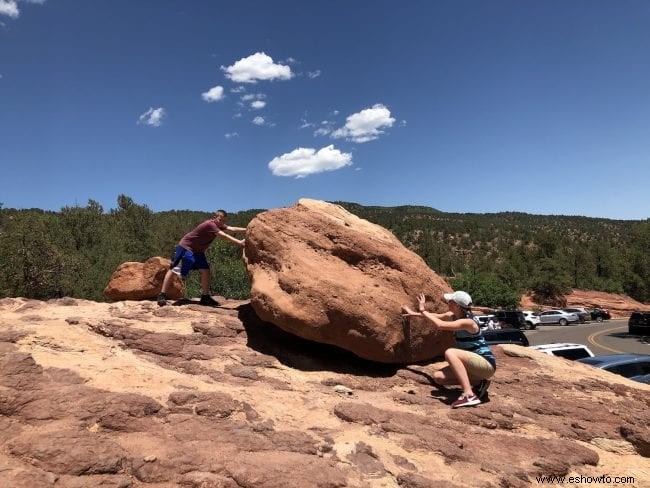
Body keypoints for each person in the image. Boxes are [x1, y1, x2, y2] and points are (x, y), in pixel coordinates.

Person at [402, 290, 496, 408]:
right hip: (473, 365)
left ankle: (468, 395)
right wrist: (413, 313)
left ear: (457, 305)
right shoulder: (453, 316)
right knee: (438, 377)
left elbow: (440, 325)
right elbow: (435, 317)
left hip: (485, 364)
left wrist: (422, 309)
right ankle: (480, 382)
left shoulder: (468, 322)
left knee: (450, 353)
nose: (448, 302)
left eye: (450, 301)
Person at [157, 210, 246, 307]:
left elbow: (232, 229)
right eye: (220, 220)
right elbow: (223, 236)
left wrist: (248, 229)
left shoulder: (219, 224)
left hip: (198, 251)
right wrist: (239, 242)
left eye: (224, 221)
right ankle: (162, 295)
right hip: (186, 247)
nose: (222, 223)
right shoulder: (210, 224)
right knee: (174, 269)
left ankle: (205, 297)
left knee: (205, 270)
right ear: (214, 217)